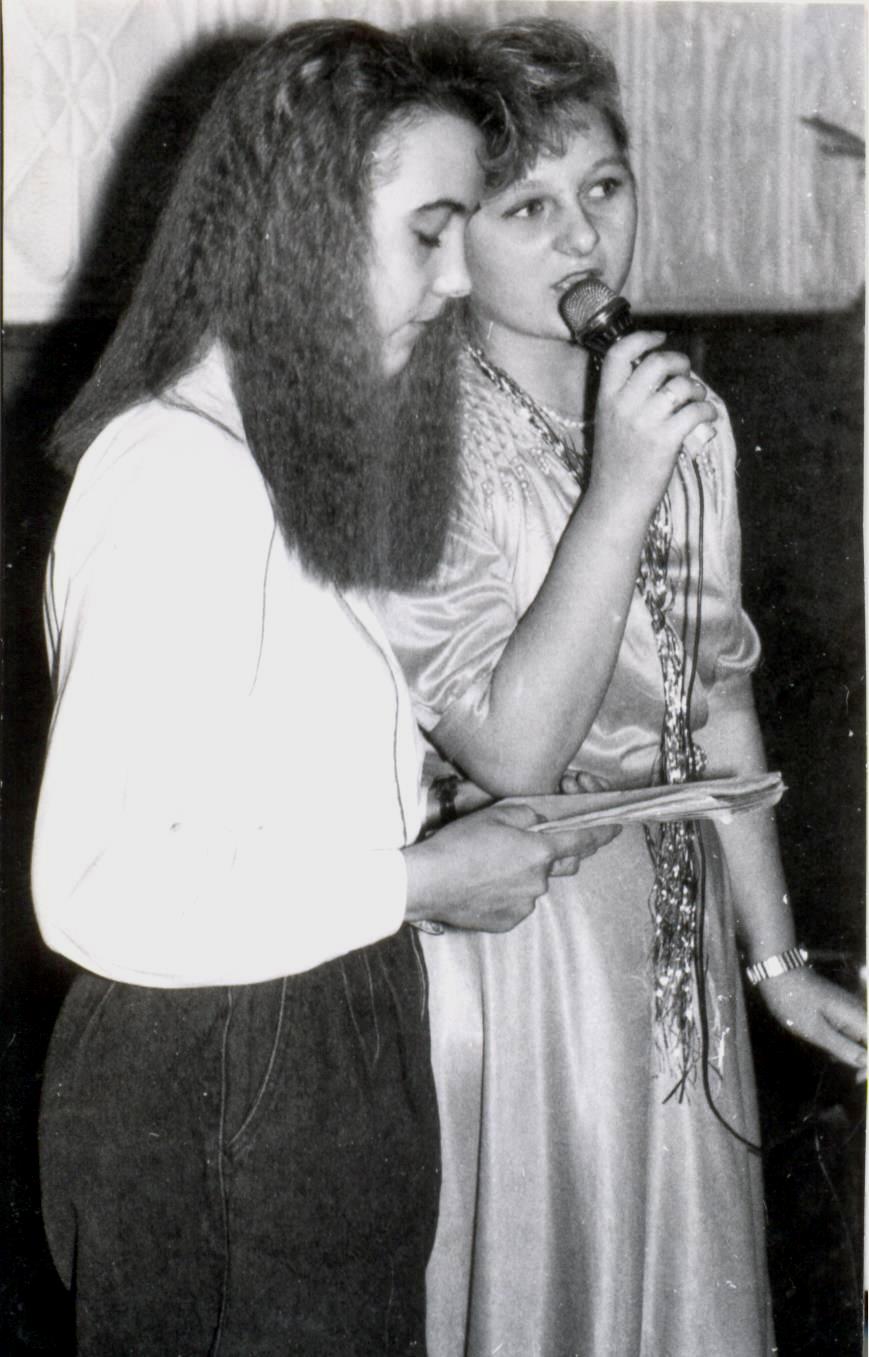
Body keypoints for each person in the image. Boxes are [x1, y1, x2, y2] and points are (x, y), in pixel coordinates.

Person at [29, 21, 611, 1355]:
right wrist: (416, 880)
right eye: (429, 232)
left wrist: (441, 840)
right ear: (296, 225)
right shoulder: (173, 479)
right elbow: (100, 884)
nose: (456, 278)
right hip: (229, 1057)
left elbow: (251, 796)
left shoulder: (256, 468)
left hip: (303, 1030)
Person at [378, 18, 867, 1357]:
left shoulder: (675, 415)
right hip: (514, 947)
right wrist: (624, 479)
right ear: (453, 241)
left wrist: (775, 964)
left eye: (603, 187)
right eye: (526, 208)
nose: (583, 236)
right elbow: (508, 752)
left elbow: (716, 699)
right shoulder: (419, 436)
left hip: (676, 940)